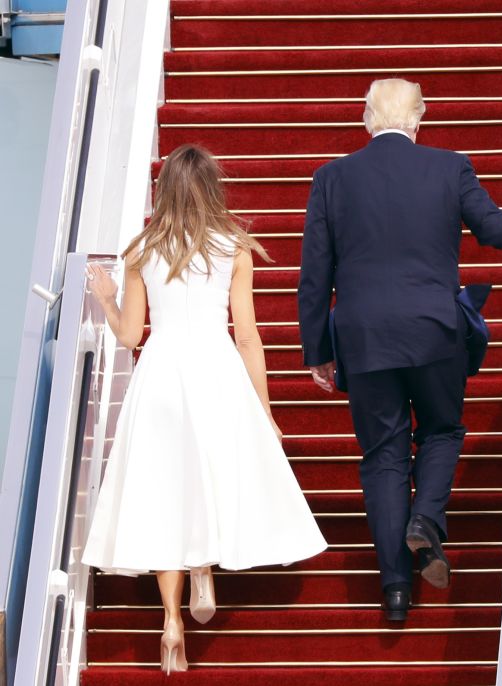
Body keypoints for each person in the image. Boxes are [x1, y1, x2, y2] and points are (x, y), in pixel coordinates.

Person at [298, 78, 502, 622]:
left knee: (383, 455)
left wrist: (317, 350)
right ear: (418, 120)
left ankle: (395, 588)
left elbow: (314, 273)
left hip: (364, 336)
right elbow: (490, 227)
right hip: (432, 329)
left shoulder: (331, 178)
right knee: (442, 429)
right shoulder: (449, 167)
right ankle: (425, 522)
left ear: (366, 119)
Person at [82, 145, 327, 674]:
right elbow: (248, 337)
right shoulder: (233, 247)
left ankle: (171, 619)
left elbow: (129, 335)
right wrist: (263, 409)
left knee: (166, 492)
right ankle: (203, 569)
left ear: (163, 188)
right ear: (213, 188)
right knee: (210, 478)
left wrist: (105, 297)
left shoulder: (141, 250)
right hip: (216, 372)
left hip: (162, 374)